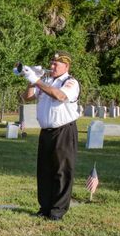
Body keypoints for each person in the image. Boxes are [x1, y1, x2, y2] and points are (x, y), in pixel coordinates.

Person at [21, 51, 80, 221]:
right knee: (45, 170)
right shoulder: (46, 80)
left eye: (56, 64)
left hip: (64, 131)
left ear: (66, 66)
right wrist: (32, 80)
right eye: (52, 62)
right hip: (46, 131)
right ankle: (45, 207)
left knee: (62, 171)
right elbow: (28, 97)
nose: (52, 66)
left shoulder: (70, 82)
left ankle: (57, 210)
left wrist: (37, 80)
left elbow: (60, 96)